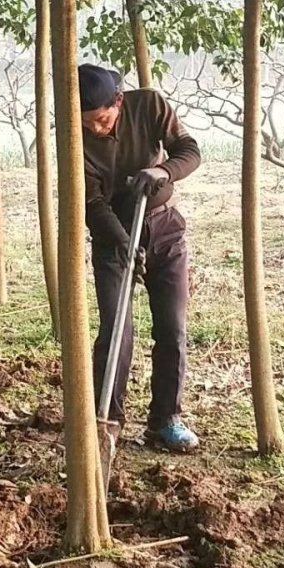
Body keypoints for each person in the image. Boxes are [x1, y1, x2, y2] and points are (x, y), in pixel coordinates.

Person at [79, 62, 201, 453]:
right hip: (113, 235)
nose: (95, 129)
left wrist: (162, 171)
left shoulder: (149, 106)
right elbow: (93, 203)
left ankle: (165, 420)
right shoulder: (74, 138)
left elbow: (190, 150)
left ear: (118, 102)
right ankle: (107, 422)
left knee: (172, 329)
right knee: (116, 330)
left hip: (164, 229)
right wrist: (121, 242)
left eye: (101, 119)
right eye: (87, 124)